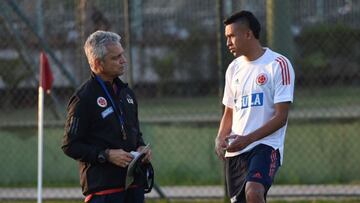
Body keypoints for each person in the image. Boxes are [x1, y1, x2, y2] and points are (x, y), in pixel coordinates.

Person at [62, 30, 152, 203]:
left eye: (122, 55)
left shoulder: (127, 94)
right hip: (104, 191)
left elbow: (135, 133)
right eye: (116, 57)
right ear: (97, 63)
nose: (123, 60)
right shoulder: (83, 99)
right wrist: (106, 155)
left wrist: (141, 149)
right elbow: (70, 145)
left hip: (133, 187)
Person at [215, 11, 295, 203]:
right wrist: (219, 137)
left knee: (254, 191)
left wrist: (248, 139)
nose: (228, 43)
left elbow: (281, 117)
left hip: (265, 146)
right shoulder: (233, 68)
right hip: (236, 151)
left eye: (232, 36)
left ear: (248, 34)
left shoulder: (278, 65)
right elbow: (229, 112)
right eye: (226, 37)